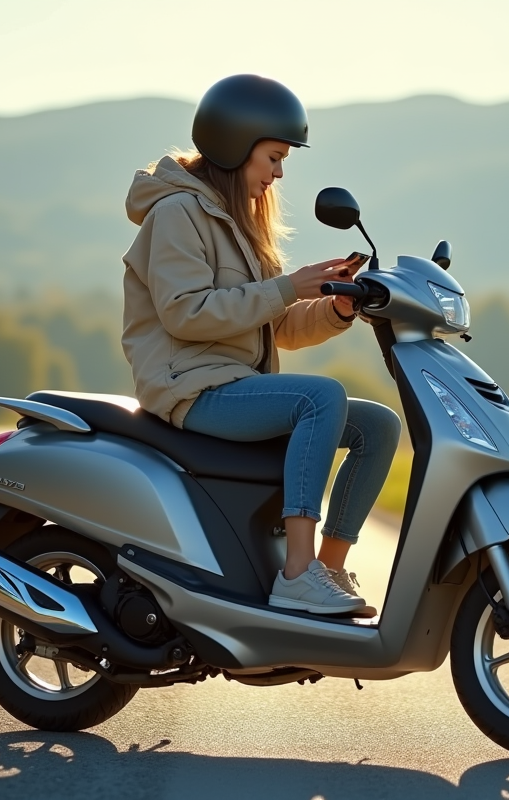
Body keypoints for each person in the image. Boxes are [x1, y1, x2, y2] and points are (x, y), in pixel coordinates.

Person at [121, 74, 401, 616]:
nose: (277, 174)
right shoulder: (177, 214)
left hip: (236, 385)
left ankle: (330, 567)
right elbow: (186, 314)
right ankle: (296, 574)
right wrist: (286, 286)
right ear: (234, 145)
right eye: (273, 158)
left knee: (379, 426)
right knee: (320, 398)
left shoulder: (241, 224)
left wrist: (332, 308)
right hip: (190, 388)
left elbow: (277, 327)